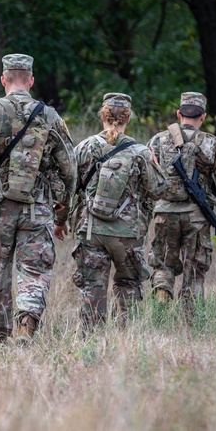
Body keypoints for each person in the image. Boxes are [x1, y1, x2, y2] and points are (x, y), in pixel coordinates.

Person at [0, 54, 75, 344]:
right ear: (31, 80)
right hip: (38, 208)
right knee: (34, 270)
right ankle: (26, 324)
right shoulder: (49, 115)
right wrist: (63, 212)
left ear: (3, 79)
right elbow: (70, 167)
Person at [69, 93, 166, 333]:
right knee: (129, 284)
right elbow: (158, 190)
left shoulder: (83, 148)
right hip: (128, 234)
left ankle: (91, 341)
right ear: (128, 118)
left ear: (102, 115)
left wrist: (62, 222)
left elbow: (67, 189)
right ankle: (127, 340)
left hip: (91, 230)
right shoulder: (141, 152)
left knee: (93, 287)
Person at [147, 92, 216, 309]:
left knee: (163, 265)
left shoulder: (157, 140)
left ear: (179, 114)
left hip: (164, 214)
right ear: (203, 116)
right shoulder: (212, 144)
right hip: (197, 217)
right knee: (195, 271)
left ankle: (161, 300)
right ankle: (189, 320)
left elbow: (146, 178)